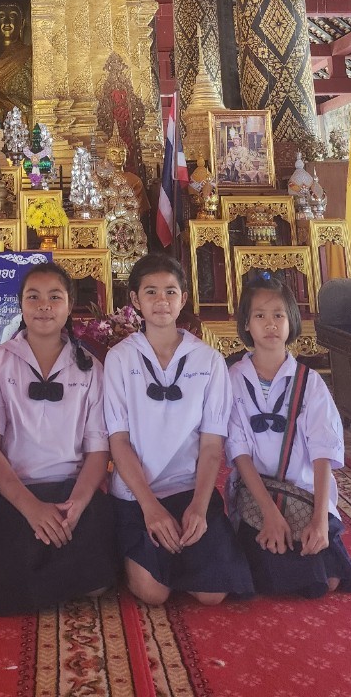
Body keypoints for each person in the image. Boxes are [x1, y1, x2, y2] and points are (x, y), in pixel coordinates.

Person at [0, 264, 116, 615]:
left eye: (55, 297)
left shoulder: (91, 367)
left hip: (70, 490)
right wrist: (31, 508)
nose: (44, 306)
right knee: (1, 579)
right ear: (21, 305)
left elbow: (97, 452)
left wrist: (75, 507)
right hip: (11, 494)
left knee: (99, 579)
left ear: (69, 305)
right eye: (33, 297)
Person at [103, 253, 252, 606]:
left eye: (170, 291)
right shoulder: (120, 358)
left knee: (213, 595)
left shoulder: (208, 360)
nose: (161, 301)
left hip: (189, 488)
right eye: (151, 292)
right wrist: (151, 508)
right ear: (135, 300)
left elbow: (212, 444)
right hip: (138, 493)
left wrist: (199, 506)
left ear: (183, 298)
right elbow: (118, 441)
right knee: (152, 593)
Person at [226, 272, 351, 598]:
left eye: (279, 315)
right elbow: (239, 452)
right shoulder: (233, 380)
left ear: (291, 322)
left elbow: (323, 450)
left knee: (330, 580)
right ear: (246, 324)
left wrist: (320, 519)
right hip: (257, 495)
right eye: (260, 316)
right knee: (283, 575)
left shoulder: (309, 382)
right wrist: (270, 514)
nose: (270, 324)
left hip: (304, 493)